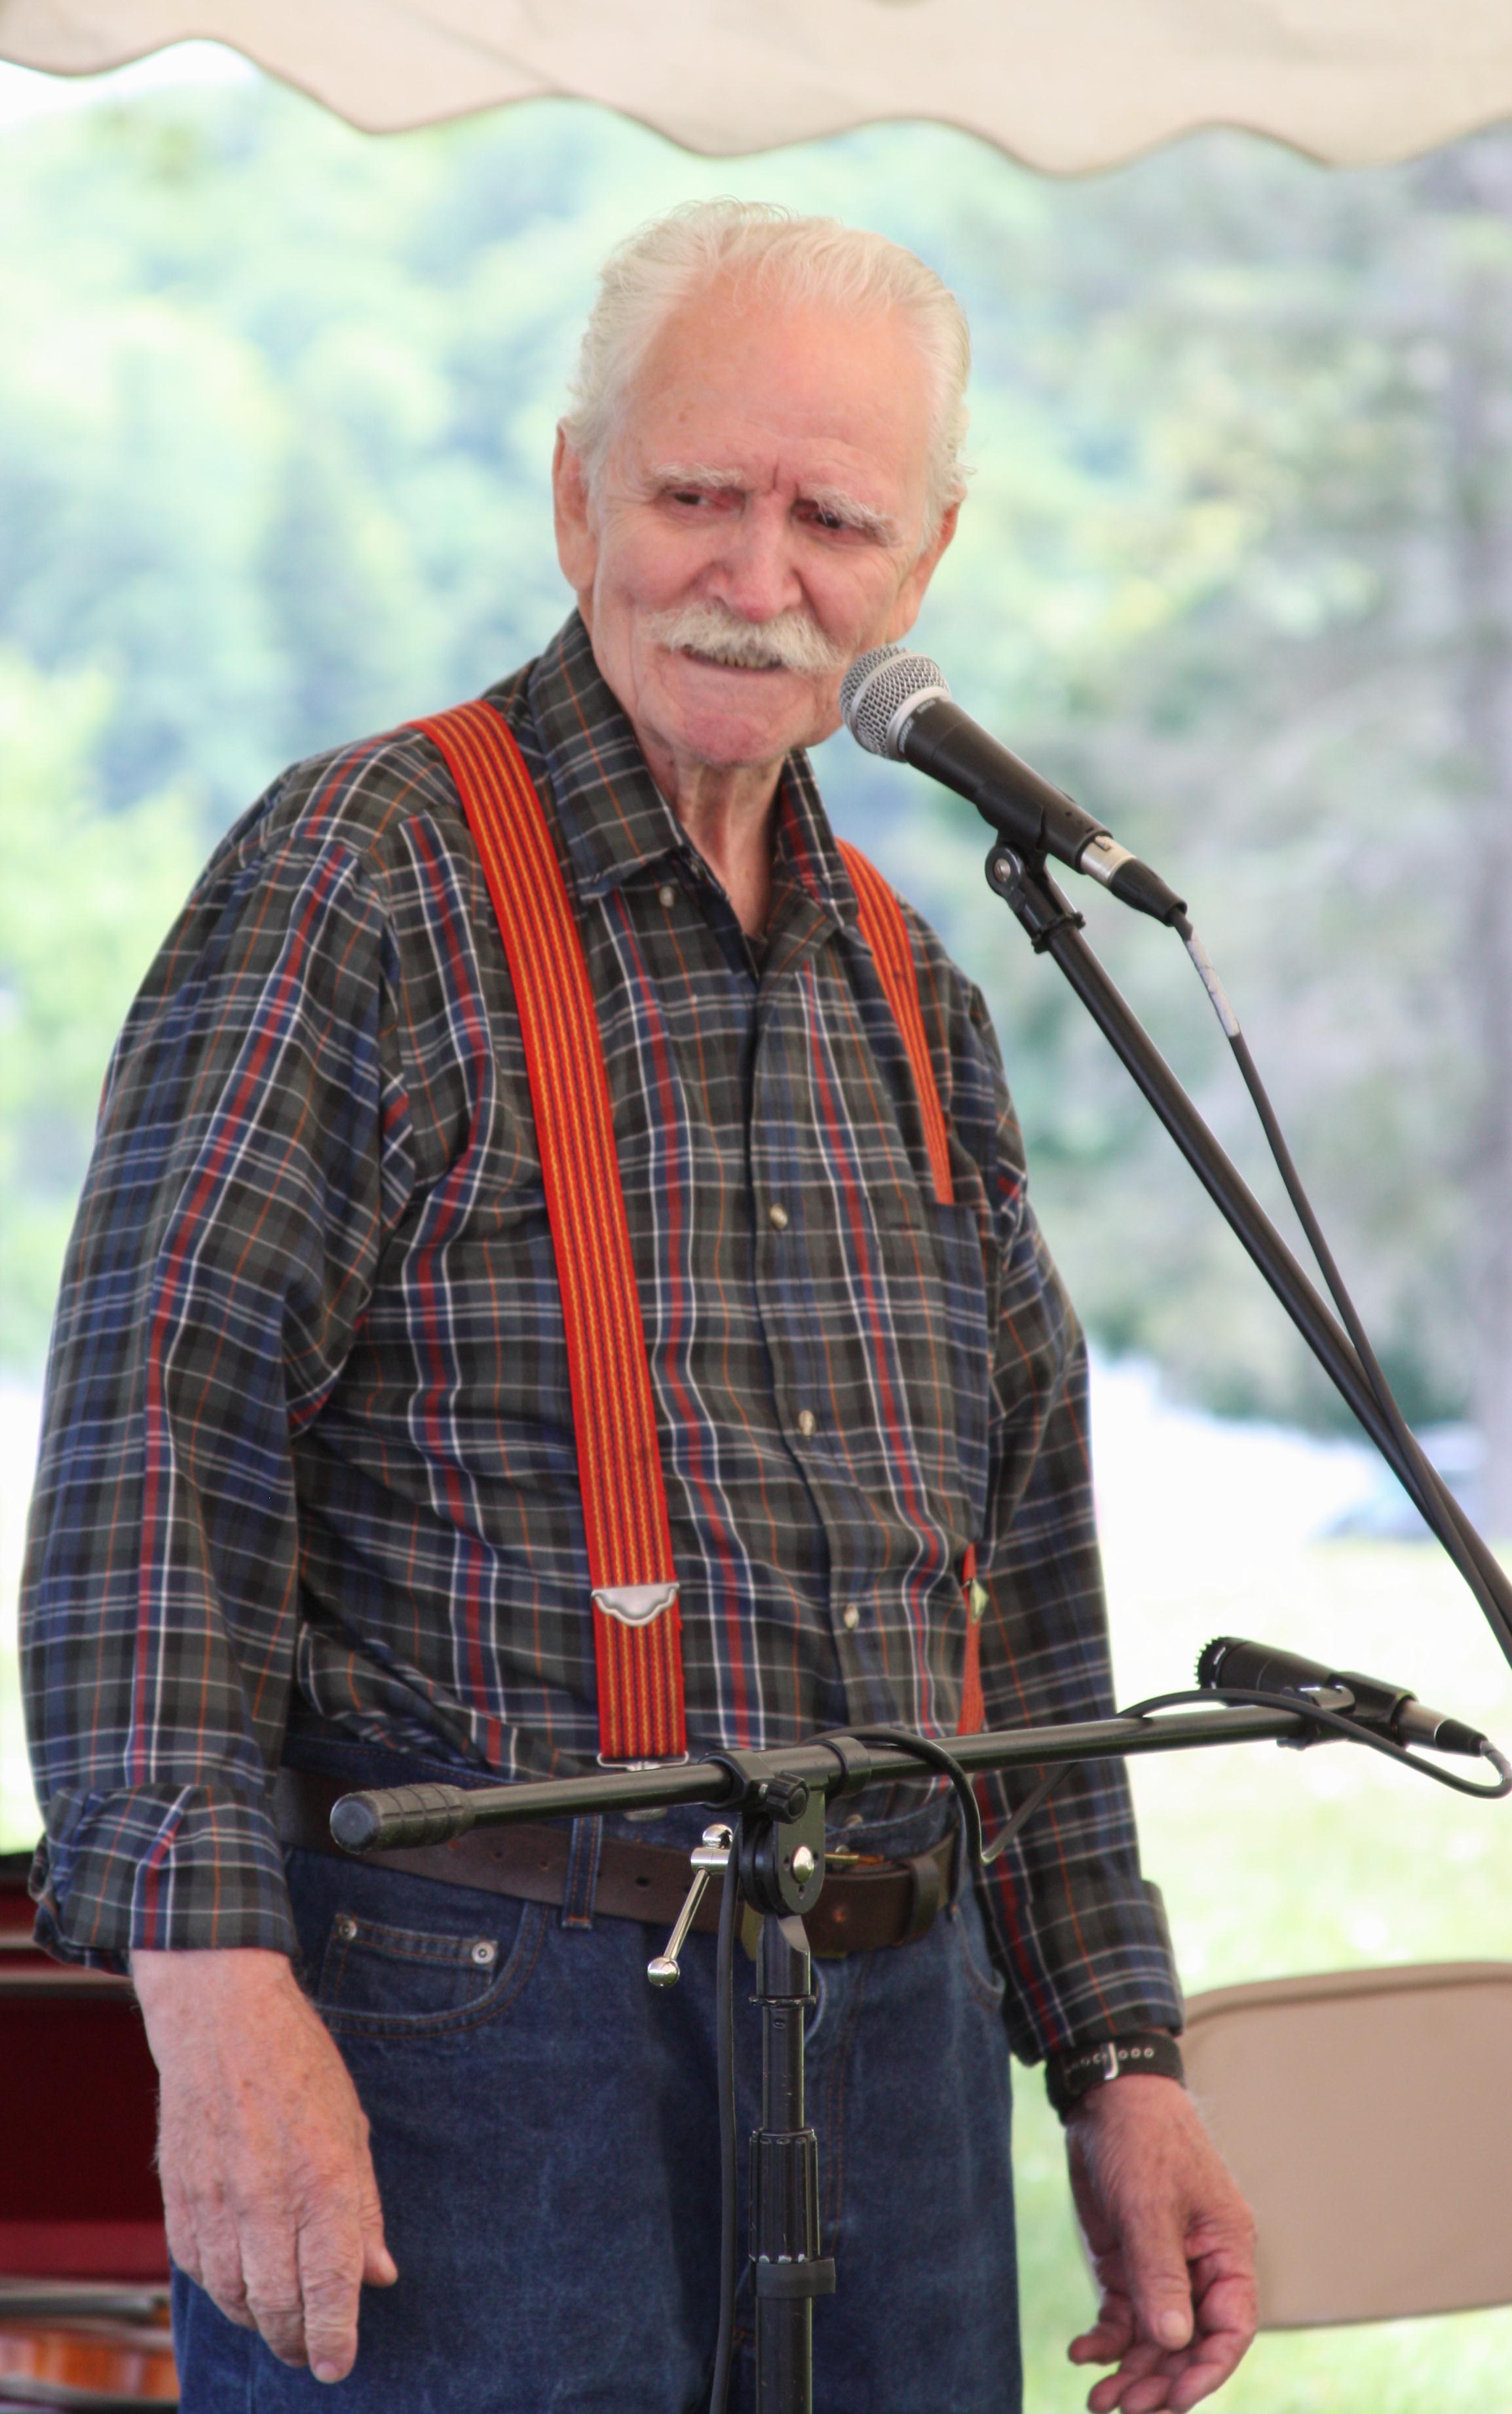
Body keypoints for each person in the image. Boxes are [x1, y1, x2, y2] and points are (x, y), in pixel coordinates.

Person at [21, 201, 1255, 2413]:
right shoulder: (359, 874)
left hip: (892, 2041)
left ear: (923, 560)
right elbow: (153, 1469)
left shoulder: (917, 989)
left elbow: (1021, 1584)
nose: (753, 574)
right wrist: (214, 2007)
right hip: (473, 2037)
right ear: (575, 496)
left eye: (831, 520)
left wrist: (1117, 2054)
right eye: (696, 494)